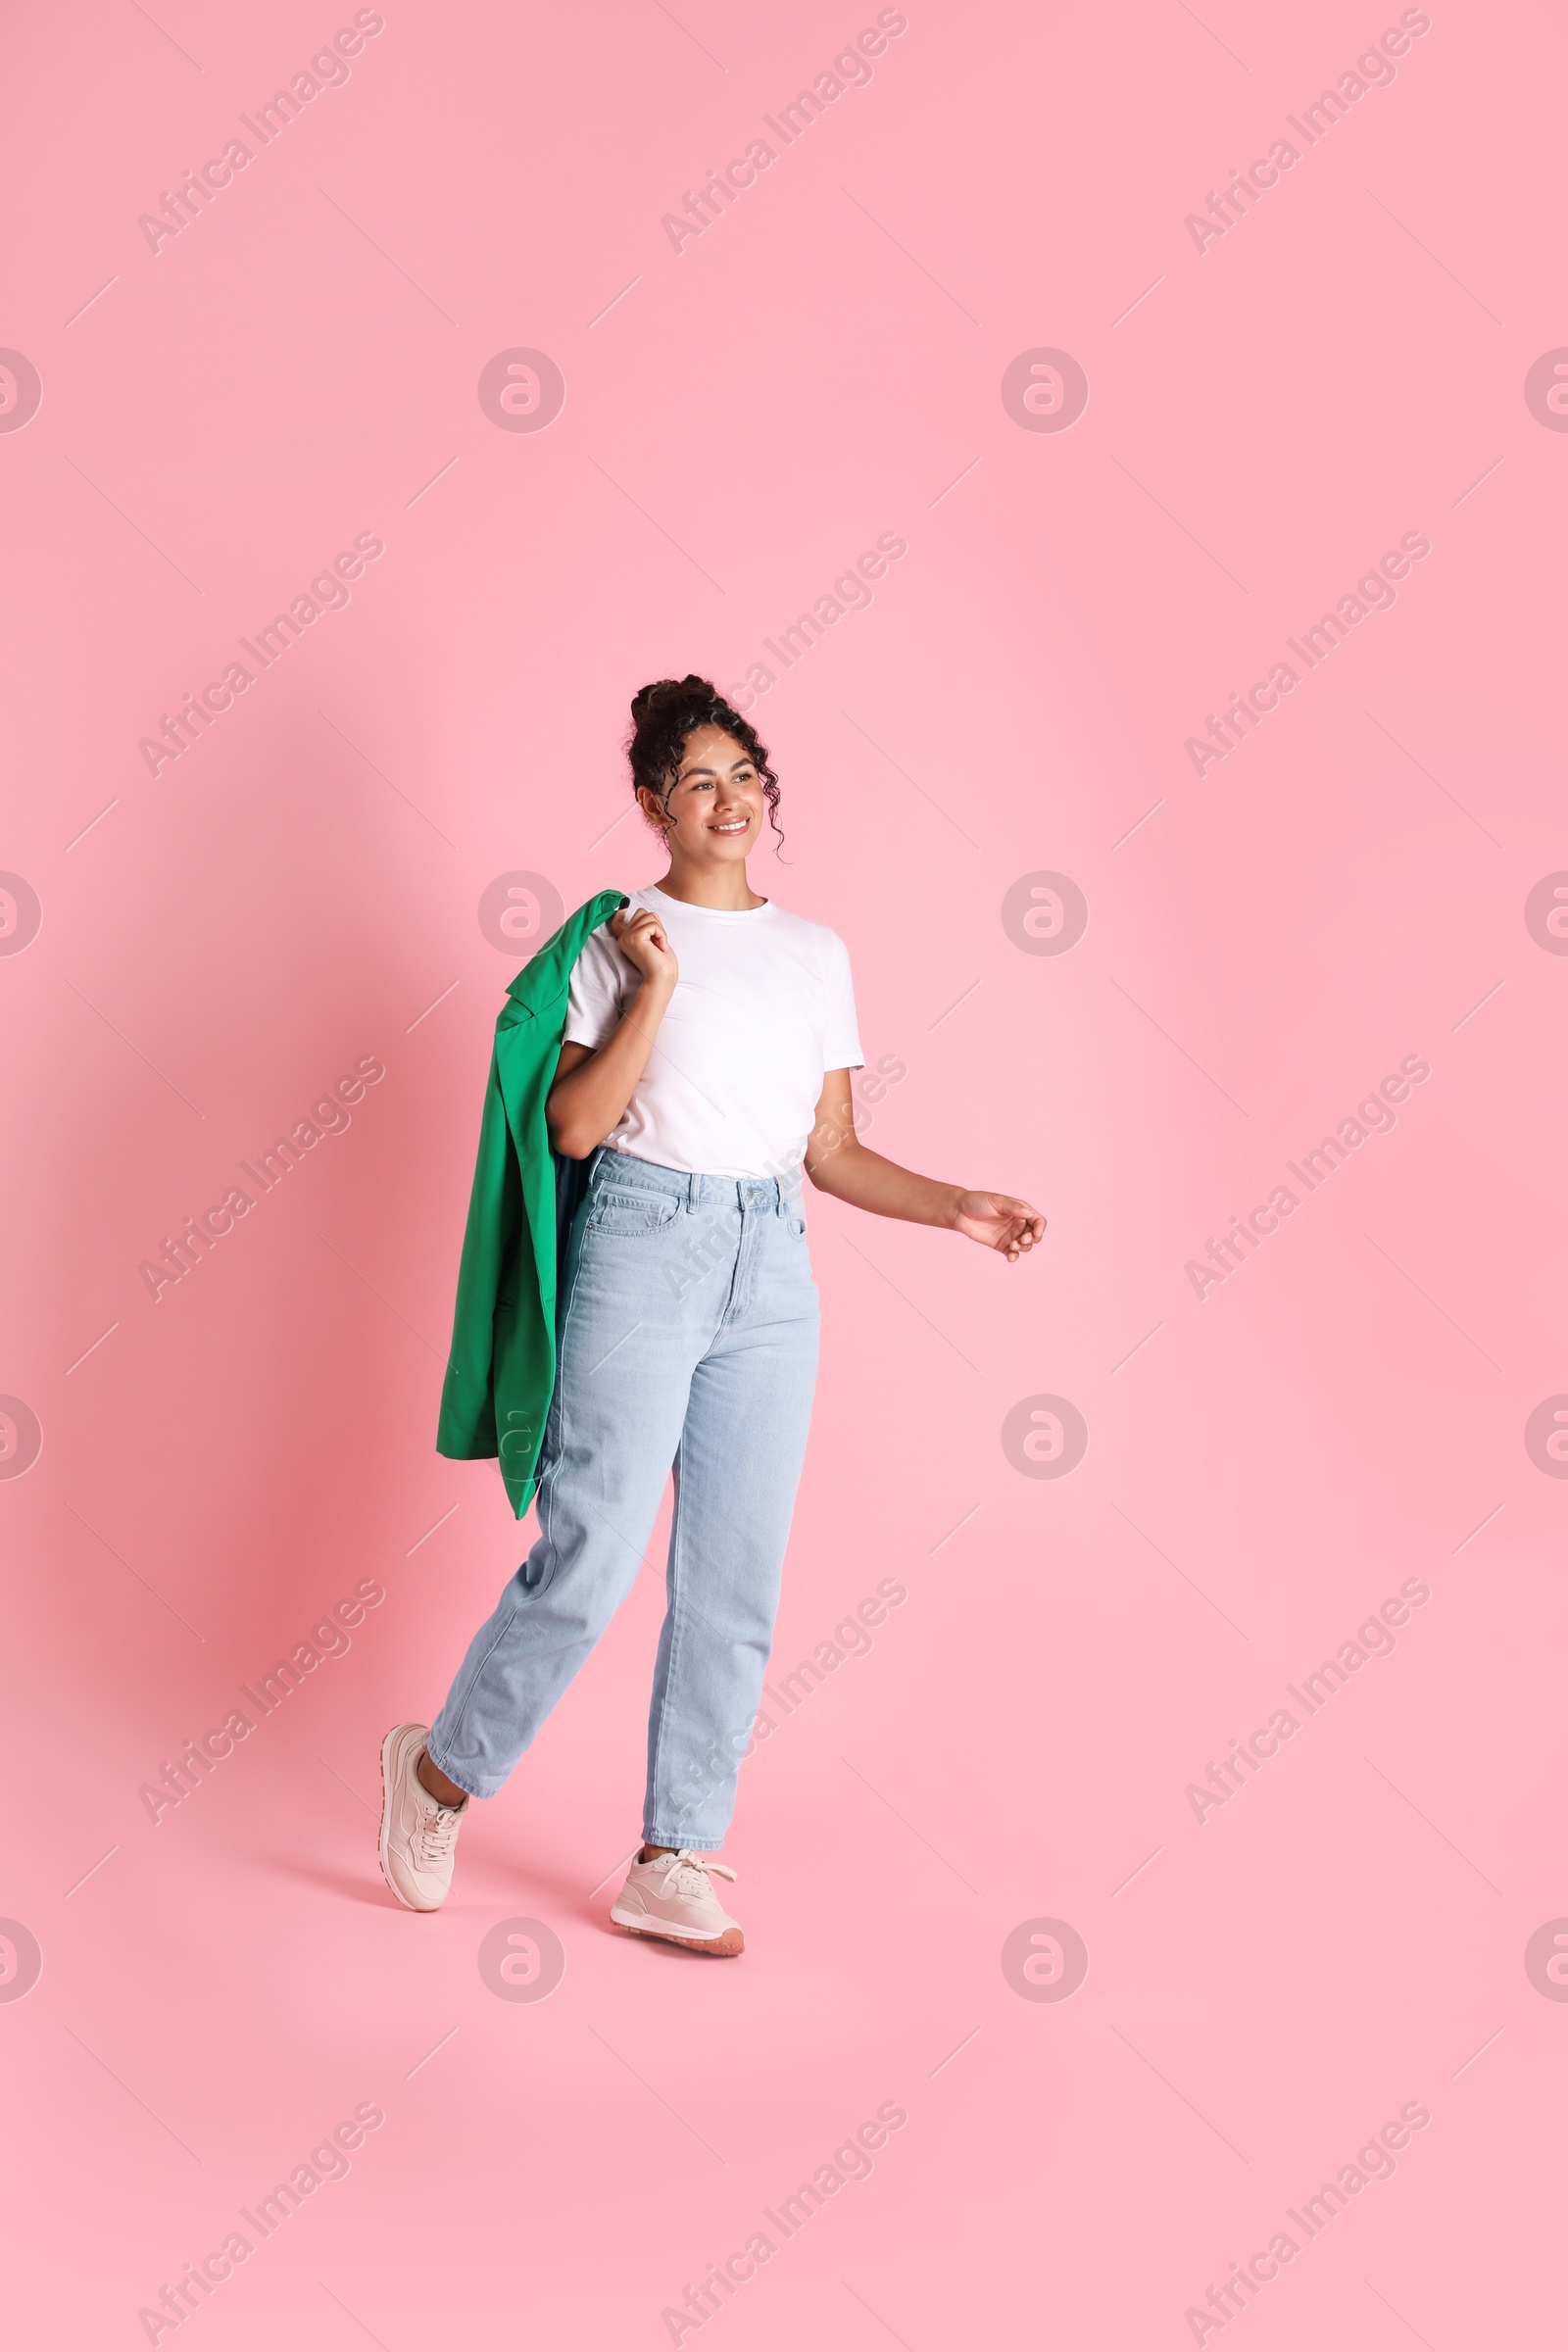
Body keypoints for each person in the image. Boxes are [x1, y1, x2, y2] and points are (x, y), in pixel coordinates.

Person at [378, 675, 1045, 1954]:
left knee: (734, 1576)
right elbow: (573, 1126)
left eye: (745, 774)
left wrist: (956, 1202)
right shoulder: (617, 939)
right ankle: (437, 1774)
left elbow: (833, 1150)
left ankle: (673, 1853)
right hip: (640, 1240)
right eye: (699, 779)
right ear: (652, 803)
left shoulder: (815, 953)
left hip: (769, 1266)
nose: (729, 798)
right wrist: (653, 993)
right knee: (595, 1557)